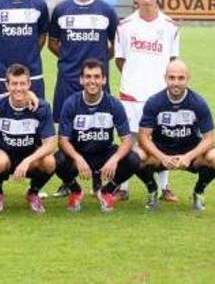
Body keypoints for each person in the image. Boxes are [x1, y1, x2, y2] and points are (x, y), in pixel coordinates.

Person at [47, 0, 118, 198]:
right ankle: (69, 180)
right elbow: (53, 43)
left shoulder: (106, 11)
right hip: (68, 79)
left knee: (98, 127)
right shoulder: (62, 10)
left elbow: (114, 46)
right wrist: (70, 61)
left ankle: (98, 179)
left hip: (97, 82)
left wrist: (97, 65)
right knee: (67, 130)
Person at [114, 0, 180, 202]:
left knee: (161, 138)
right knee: (128, 140)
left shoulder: (170, 26)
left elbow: (173, 61)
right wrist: (135, 77)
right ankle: (122, 186)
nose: (146, 0)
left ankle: (164, 188)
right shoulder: (125, 26)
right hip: (131, 93)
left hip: (160, 95)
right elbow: (120, 59)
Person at [54, 60, 149, 213]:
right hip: (79, 153)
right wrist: (78, 158)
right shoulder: (71, 103)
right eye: (88, 76)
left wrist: (114, 159)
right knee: (56, 160)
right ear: (81, 79)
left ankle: (107, 191)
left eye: (97, 77)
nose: (92, 81)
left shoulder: (113, 104)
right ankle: (76, 190)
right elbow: (62, 141)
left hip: (104, 153)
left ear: (104, 80)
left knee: (133, 159)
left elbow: (127, 140)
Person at [137, 60, 215, 212]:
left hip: (190, 154)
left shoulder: (198, 103)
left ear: (188, 79)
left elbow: (209, 138)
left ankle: (198, 192)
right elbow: (143, 137)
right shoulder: (154, 102)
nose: (175, 82)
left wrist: (189, 156)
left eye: (180, 78)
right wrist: (162, 157)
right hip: (161, 154)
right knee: (136, 156)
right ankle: (152, 190)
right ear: (165, 78)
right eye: (172, 78)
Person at [0, 64, 56, 213]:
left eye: (22, 83)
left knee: (49, 161)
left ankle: (33, 193)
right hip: (1, 150)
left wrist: (27, 161)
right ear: (7, 86)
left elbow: (50, 143)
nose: (19, 88)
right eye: (14, 84)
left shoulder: (41, 107)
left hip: (28, 154)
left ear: (29, 84)